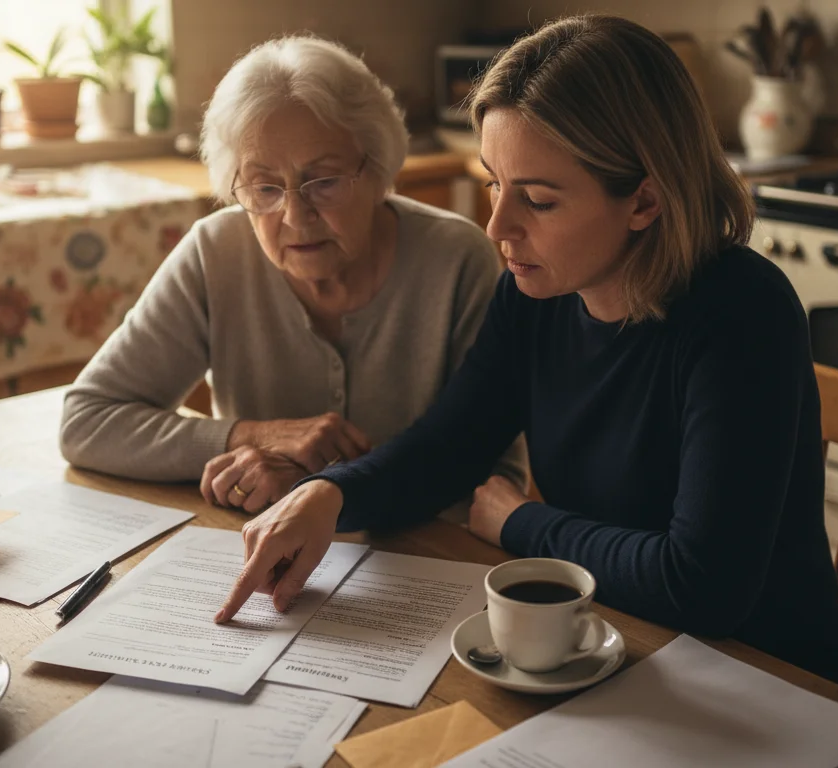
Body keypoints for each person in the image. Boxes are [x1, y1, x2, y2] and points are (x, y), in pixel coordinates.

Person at [215, 15, 838, 690]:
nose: (498, 226)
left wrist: (524, 524)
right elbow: (448, 447)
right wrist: (325, 496)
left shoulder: (740, 315)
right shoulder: (537, 292)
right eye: (495, 182)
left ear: (644, 200)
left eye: (539, 200)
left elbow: (701, 586)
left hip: (769, 685)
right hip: (616, 648)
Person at [60, 35, 526, 512]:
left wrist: (325, 490)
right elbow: (86, 422)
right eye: (264, 187)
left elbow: (497, 476)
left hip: (421, 564)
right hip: (263, 556)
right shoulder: (215, 252)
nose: (295, 216)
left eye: (323, 182)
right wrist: (254, 437)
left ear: (377, 168)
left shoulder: (455, 260)